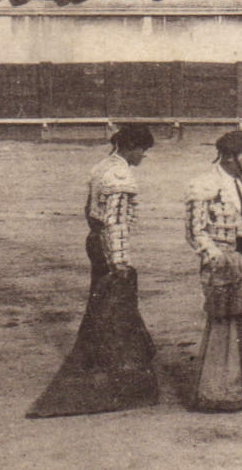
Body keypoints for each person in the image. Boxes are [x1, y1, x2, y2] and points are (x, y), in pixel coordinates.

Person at [27, 125, 161, 418]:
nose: (143, 157)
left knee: (103, 304)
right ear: (130, 147)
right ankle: (115, 373)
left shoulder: (102, 167)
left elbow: (89, 210)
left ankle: (104, 361)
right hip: (108, 245)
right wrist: (120, 262)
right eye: (142, 150)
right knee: (114, 307)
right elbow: (116, 224)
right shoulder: (120, 176)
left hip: (94, 240)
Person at [183, 129, 242, 412]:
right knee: (224, 326)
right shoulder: (204, 184)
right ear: (229, 157)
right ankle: (220, 392)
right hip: (224, 263)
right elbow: (195, 232)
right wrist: (219, 259)